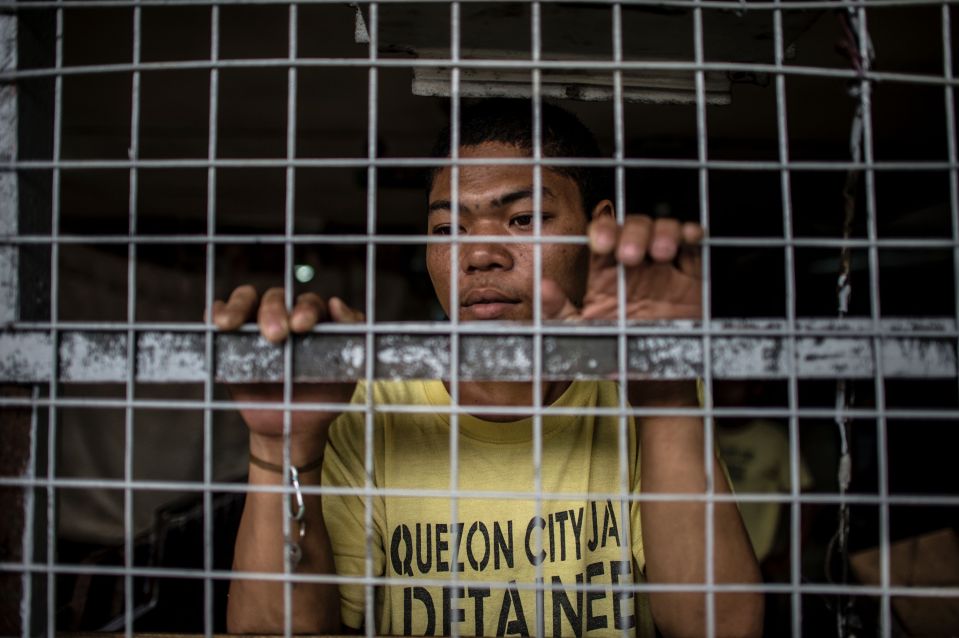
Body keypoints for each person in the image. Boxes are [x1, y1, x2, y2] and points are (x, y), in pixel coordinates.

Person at [214, 99, 763, 637]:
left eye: (523, 219)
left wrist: (665, 399)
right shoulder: (365, 403)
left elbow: (720, 626)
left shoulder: (645, 390)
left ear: (598, 229)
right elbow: (271, 630)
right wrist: (282, 447)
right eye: (448, 229)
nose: (480, 255)